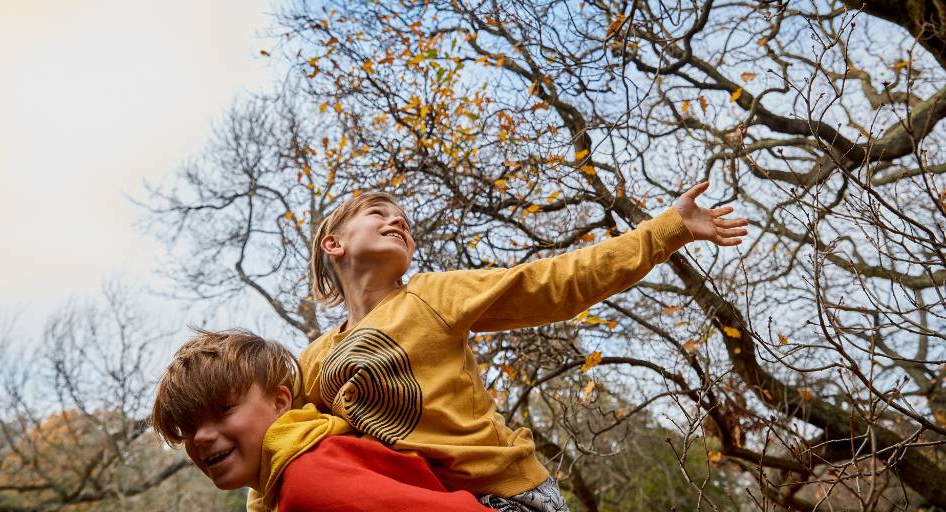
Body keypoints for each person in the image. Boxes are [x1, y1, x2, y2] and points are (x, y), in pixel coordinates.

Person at [292, 182, 747, 511]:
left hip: (506, 497)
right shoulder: (314, 361)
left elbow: (556, 283)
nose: (398, 221)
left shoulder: (430, 295)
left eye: (404, 220)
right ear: (334, 243)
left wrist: (667, 230)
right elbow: (281, 448)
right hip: (421, 501)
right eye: (378, 213)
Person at [150, 328, 493, 512]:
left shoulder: (310, 481)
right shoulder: (293, 479)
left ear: (280, 402)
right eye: (189, 426)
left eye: (224, 409)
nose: (203, 437)